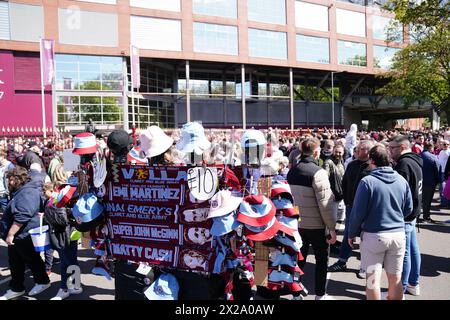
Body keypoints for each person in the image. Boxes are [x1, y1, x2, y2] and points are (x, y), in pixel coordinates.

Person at [348, 145, 413, 300]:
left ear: (371, 160)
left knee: (372, 280)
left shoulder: (367, 181)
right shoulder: (401, 180)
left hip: (374, 235)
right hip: (397, 235)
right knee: (395, 279)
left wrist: (351, 233)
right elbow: (409, 208)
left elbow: (358, 213)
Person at [287, 138, 336, 300]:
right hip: (317, 226)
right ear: (316, 152)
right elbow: (326, 204)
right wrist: (331, 227)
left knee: (298, 260)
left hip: (297, 224)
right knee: (321, 260)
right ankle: (320, 295)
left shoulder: (292, 171)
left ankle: (295, 294)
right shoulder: (318, 172)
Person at [0, 167, 51, 300]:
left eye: (11, 179)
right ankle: (17, 288)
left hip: (24, 235)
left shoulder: (27, 192)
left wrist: (10, 234)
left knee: (32, 259)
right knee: (16, 262)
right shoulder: (22, 191)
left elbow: (23, 216)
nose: (9, 182)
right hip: (20, 236)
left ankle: (42, 282)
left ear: (17, 179)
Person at [328, 140, 374, 278]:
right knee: (349, 234)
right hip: (350, 206)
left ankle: (364, 266)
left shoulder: (372, 167)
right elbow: (345, 183)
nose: (356, 151)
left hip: (367, 209)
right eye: (357, 148)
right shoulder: (352, 164)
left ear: (368, 151)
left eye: (360, 149)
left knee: (365, 237)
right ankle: (342, 261)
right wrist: (346, 199)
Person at [389, 135, 423, 297]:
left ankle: (399, 290)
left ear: (402, 147)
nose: (389, 152)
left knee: (404, 253)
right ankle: (413, 283)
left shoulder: (404, 164)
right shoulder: (415, 160)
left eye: (392, 148)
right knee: (413, 249)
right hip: (414, 212)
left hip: (406, 215)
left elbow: (400, 194)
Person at [323, 145, 345, 226]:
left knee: (340, 217)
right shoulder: (328, 162)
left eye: (340, 152)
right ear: (333, 151)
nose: (338, 154)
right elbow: (325, 178)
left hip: (341, 193)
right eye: (336, 152)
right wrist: (330, 192)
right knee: (333, 219)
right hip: (333, 194)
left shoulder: (341, 160)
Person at [420, 141, 439, 222]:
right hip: (430, 182)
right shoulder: (433, 157)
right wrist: (438, 181)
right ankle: (426, 216)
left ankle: (417, 216)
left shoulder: (418, 156)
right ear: (431, 148)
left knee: (420, 199)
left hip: (420, 181)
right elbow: (437, 170)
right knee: (427, 200)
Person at [437, 140, 450, 207]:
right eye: (444, 144)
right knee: (441, 188)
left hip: (445, 172)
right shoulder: (441, 151)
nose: (446, 145)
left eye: (447, 144)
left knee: (444, 188)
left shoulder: (449, 152)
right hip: (440, 171)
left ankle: (444, 203)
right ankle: (443, 202)